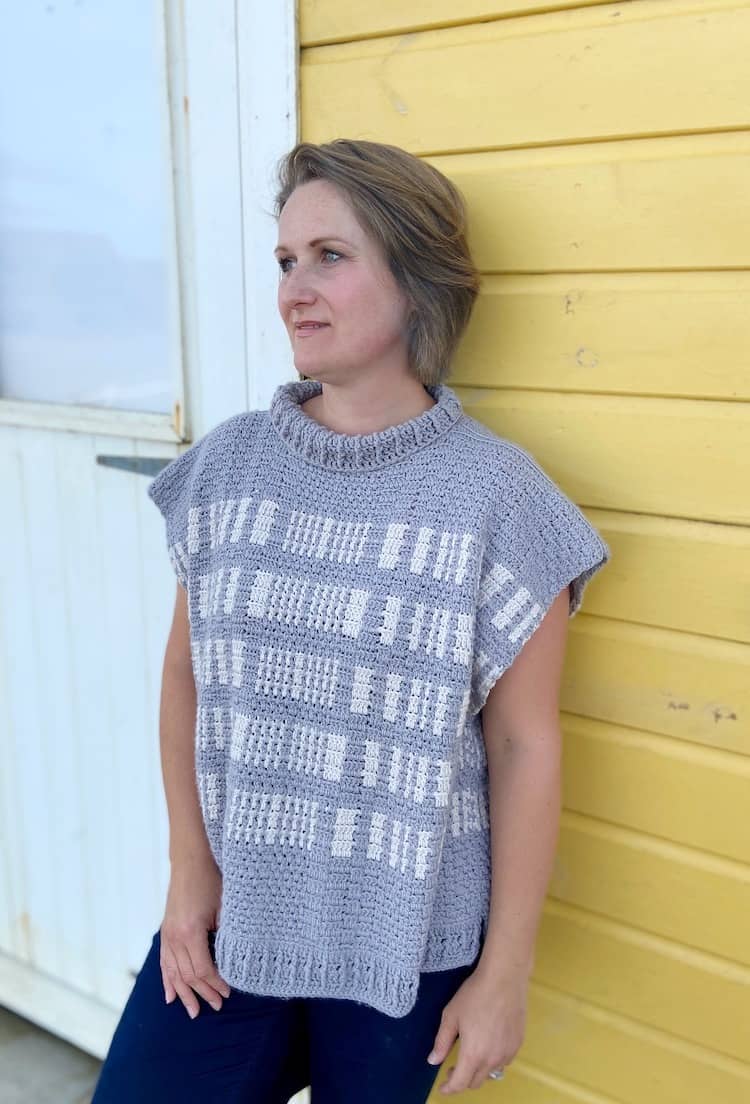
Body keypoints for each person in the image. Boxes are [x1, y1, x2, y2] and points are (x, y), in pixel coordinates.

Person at [91, 138, 609, 1103]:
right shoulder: (229, 468)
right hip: (233, 922)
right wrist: (187, 873)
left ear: (415, 280)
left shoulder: (502, 501)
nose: (295, 288)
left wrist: (504, 973)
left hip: (406, 950)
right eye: (286, 261)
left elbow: (525, 746)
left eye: (331, 256)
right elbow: (185, 677)